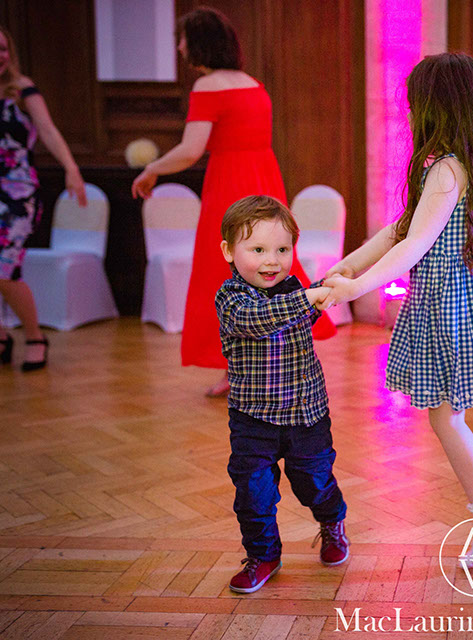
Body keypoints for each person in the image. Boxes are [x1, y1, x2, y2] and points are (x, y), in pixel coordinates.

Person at [320, 53, 473, 558]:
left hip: (459, 305)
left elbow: (411, 248)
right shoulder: (443, 167)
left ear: (440, 108)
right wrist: (349, 264)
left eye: (415, 104)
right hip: (441, 307)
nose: (410, 114)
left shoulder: (446, 171)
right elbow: (397, 231)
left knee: (450, 413)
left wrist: (358, 288)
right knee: (446, 417)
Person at [132, 7, 335, 398]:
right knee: (268, 267)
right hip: (264, 178)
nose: (178, 46)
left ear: (200, 43)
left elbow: (191, 150)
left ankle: (239, 368)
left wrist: (152, 168)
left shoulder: (208, 87)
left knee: (227, 272)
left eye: (184, 39)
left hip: (229, 184)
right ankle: (270, 363)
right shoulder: (254, 84)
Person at [215, 195, 347, 593]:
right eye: (257, 250)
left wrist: (332, 284)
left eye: (282, 249)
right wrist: (309, 297)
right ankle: (264, 554)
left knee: (314, 482)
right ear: (228, 251)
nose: (272, 260)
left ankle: (332, 522)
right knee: (253, 494)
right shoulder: (232, 299)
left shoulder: (294, 289)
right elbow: (258, 320)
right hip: (253, 420)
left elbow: (316, 300)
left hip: (307, 416)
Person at [0, 26, 87, 372]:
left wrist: (71, 168)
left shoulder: (22, 89)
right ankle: (3, 335)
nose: (1, 56)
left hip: (16, 192)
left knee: (4, 268)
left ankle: (34, 336)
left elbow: (48, 130)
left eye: (4, 49)